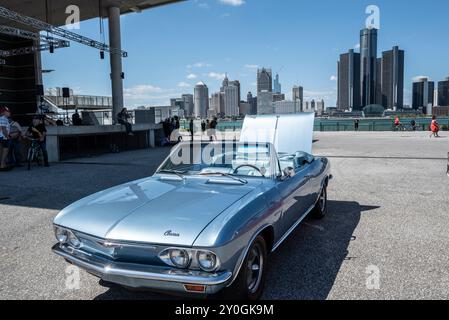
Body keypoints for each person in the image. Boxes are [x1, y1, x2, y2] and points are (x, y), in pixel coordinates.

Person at [0, 106, 11, 170]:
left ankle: (2, 164)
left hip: (1, 137)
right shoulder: (3, 118)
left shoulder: (2, 118)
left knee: (1, 151)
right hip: (4, 137)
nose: (9, 113)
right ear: (4, 112)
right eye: (8, 112)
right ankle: (2, 165)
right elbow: (4, 129)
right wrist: (7, 137)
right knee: (5, 151)